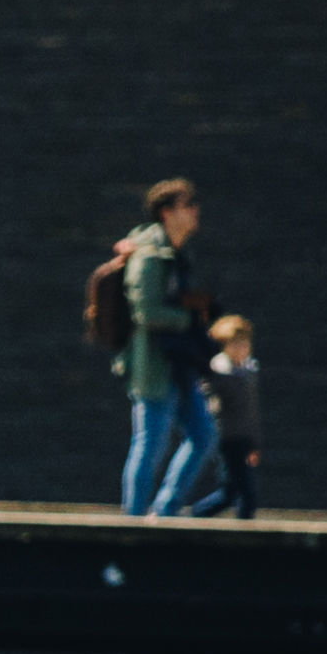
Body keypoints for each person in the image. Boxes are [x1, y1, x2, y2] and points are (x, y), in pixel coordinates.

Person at [105, 179, 213, 515]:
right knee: (150, 444)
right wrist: (189, 317)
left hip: (178, 363)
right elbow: (146, 311)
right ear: (167, 212)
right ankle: (133, 521)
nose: (196, 210)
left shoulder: (175, 253)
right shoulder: (150, 255)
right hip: (153, 365)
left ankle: (164, 510)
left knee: (204, 435)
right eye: (188, 204)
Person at [201, 310, 265, 519]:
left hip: (243, 440)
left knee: (230, 493)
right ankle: (193, 518)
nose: (241, 349)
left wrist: (254, 443)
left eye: (244, 343)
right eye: (235, 344)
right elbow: (209, 401)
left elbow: (252, 412)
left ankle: (194, 517)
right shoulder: (218, 370)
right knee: (244, 494)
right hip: (226, 440)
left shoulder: (249, 371)